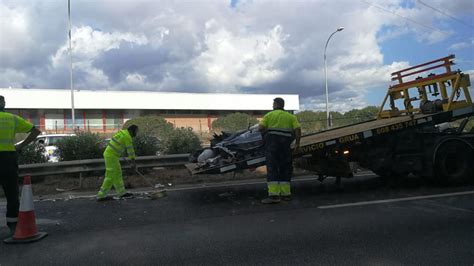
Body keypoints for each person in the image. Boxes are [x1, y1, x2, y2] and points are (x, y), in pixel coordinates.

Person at [0, 95, 41, 235]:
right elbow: (36, 131)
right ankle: (13, 227)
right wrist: (21, 145)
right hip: (8, 159)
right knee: (12, 194)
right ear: (3, 104)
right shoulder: (11, 118)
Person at [259, 97, 301, 204]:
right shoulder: (290, 117)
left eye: (273, 104)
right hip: (285, 147)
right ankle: (286, 195)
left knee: (272, 169)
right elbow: (297, 130)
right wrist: (297, 143)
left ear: (276, 104)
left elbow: (260, 128)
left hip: (272, 147)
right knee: (285, 169)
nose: (272, 105)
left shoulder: (269, 115)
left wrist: (266, 132)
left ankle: (274, 196)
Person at [97, 125, 138, 201]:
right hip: (111, 156)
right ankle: (103, 195)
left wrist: (119, 152)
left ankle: (119, 193)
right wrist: (133, 163)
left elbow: (116, 144)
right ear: (132, 131)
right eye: (136, 131)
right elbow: (130, 151)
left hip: (110, 155)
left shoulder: (122, 133)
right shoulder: (127, 137)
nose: (136, 133)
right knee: (113, 174)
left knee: (114, 174)